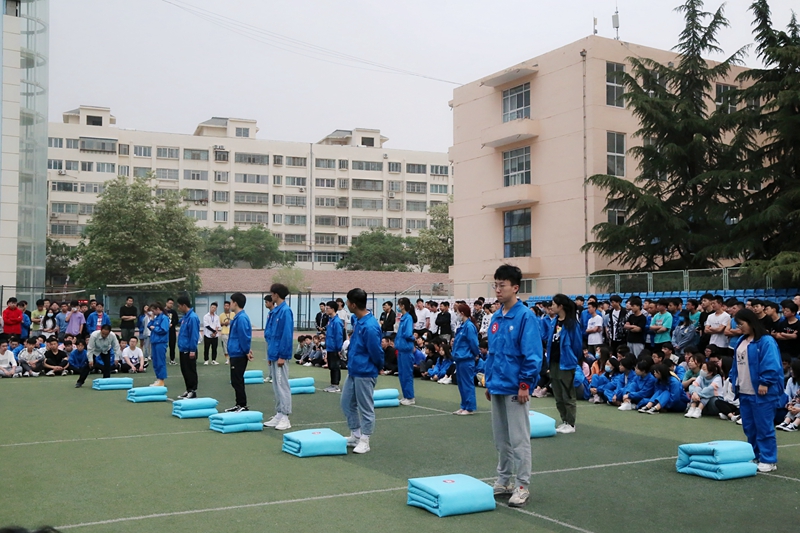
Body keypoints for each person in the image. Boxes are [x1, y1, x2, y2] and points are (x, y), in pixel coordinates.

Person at [485, 264, 542, 508]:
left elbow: (532, 354)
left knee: (519, 439)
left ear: (515, 288)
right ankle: (504, 480)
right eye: (495, 285)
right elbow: (493, 353)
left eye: (502, 285)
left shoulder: (525, 316)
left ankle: (522, 485)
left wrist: (524, 384)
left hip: (515, 387)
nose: (498, 290)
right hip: (497, 385)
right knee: (501, 439)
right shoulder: (497, 316)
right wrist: (489, 382)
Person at [729, 308, 783, 473]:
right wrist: (733, 379)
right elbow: (736, 364)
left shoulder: (766, 341)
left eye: (741, 324)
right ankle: (755, 455)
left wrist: (765, 382)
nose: (739, 328)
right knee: (749, 427)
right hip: (744, 390)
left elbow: (771, 362)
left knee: (764, 427)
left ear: (751, 322)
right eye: (738, 325)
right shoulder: (741, 340)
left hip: (762, 393)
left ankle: (769, 459)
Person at [340, 288, 384, 455]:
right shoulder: (358, 320)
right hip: (354, 369)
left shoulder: (370, 326)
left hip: (365, 371)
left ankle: (365, 439)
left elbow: (376, 351)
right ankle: (356, 434)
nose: (346, 304)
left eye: (347, 302)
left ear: (353, 304)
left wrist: (378, 366)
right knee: (346, 403)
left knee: (365, 407)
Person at [548, 294, 583, 433]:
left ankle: (571, 423)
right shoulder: (554, 322)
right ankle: (564, 421)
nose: (551, 306)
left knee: (567, 394)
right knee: (558, 395)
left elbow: (577, 345)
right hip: (554, 362)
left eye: (553, 304)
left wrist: (572, 358)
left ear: (561, 306)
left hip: (566, 363)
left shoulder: (572, 324)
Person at [263, 283, 294, 431]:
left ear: (276, 295)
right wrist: (270, 355)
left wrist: (283, 355)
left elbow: (286, 335)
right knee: (276, 386)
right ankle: (279, 413)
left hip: (280, 355)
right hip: (273, 353)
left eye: (272, 294)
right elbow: (270, 335)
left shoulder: (285, 311)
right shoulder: (275, 312)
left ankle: (286, 416)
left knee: (282, 385)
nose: (271, 296)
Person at [225, 292, 254, 413]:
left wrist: (246, 350)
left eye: (231, 302)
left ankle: (242, 404)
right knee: (235, 380)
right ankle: (239, 404)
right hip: (235, 353)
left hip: (239, 354)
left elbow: (244, 336)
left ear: (235, 303)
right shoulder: (237, 317)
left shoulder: (241, 318)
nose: (229, 304)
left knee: (237, 380)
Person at [452, 303, 479, 415]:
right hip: (459, 358)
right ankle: (464, 405)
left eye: (457, 312)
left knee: (467, 383)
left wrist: (475, 354)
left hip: (466, 358)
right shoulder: (462, 326)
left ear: (462, 313)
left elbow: (474, 343)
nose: (456, 314)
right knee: (461, 384)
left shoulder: (469, 327)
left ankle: (470, 407)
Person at [176, 296, 200, 399]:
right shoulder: (185, 317)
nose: (178, 308)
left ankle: (193, 391)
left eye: (179, 306)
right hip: (183, 348)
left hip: (189, 349)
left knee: (190, 371)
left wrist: (192, 350)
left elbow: (194, 335)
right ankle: (188, 389)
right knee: (185, 370)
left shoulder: (192, 317)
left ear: (184, 305)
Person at [395, 297, 416, 405]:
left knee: (407, 374)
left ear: (402, 306)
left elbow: (408, 333)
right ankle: (405, 395)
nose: (398, 307)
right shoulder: (403, 318)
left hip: (406, 349)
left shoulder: (408, 318)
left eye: (399, 305)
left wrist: (413, 338)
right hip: (401, 349)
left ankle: (410, 397)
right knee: (402, 374)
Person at [323, 301, 344, 393]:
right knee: (331, 366)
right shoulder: (330, 320)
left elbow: (339, 336)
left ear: (333, 309)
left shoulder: (337, 321)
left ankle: (336, 385)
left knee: (335, 366)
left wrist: (339, 349)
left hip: (335, 348)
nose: (326, 310)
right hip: (330, 347)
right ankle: (332, 384)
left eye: (327, 308)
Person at [148, 302, 169, 387]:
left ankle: (161, 379)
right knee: (155, 361)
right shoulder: (156, 318)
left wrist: (155, 328)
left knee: (160, 361)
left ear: (157, 309)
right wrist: (152, 319)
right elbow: (149, 326)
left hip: (161, 342)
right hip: (154, 342)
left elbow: (164, 330)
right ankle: (158, 378)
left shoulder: (164, 318)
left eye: (153, 311)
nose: (152, 312)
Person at [164, 298, 180, 365]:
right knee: (163, 345)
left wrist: (172, 324)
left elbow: (176, 320)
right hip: (164, 331)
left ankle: (172, 359)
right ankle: (163, 358)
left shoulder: (173, 312)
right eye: (170, 303)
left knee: (172, 345)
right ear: (166, 303)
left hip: (172, 330)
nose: (171, 305)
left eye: (172, 304)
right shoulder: (163, 311)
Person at [262, 295, 274, 380]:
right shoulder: (269, 313)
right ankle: (270, 374)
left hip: (272, 339)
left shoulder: (275, 313)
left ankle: (274, 375)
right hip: (267, 338)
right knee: (268, 357)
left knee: (272, 357)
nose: (265, 304)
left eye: (266, 302)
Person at [220, 301, 234, 365]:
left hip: (232, 333)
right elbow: (219, 324)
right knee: (225, 346)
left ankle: (232, 358)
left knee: (232, 346)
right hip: (224, 333)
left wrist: (230, 322)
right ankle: (227, 359)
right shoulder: (221, 315)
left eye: (227, 306)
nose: (226, 307)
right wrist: (224, 323)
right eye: (225, 306)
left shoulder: (233, 314)